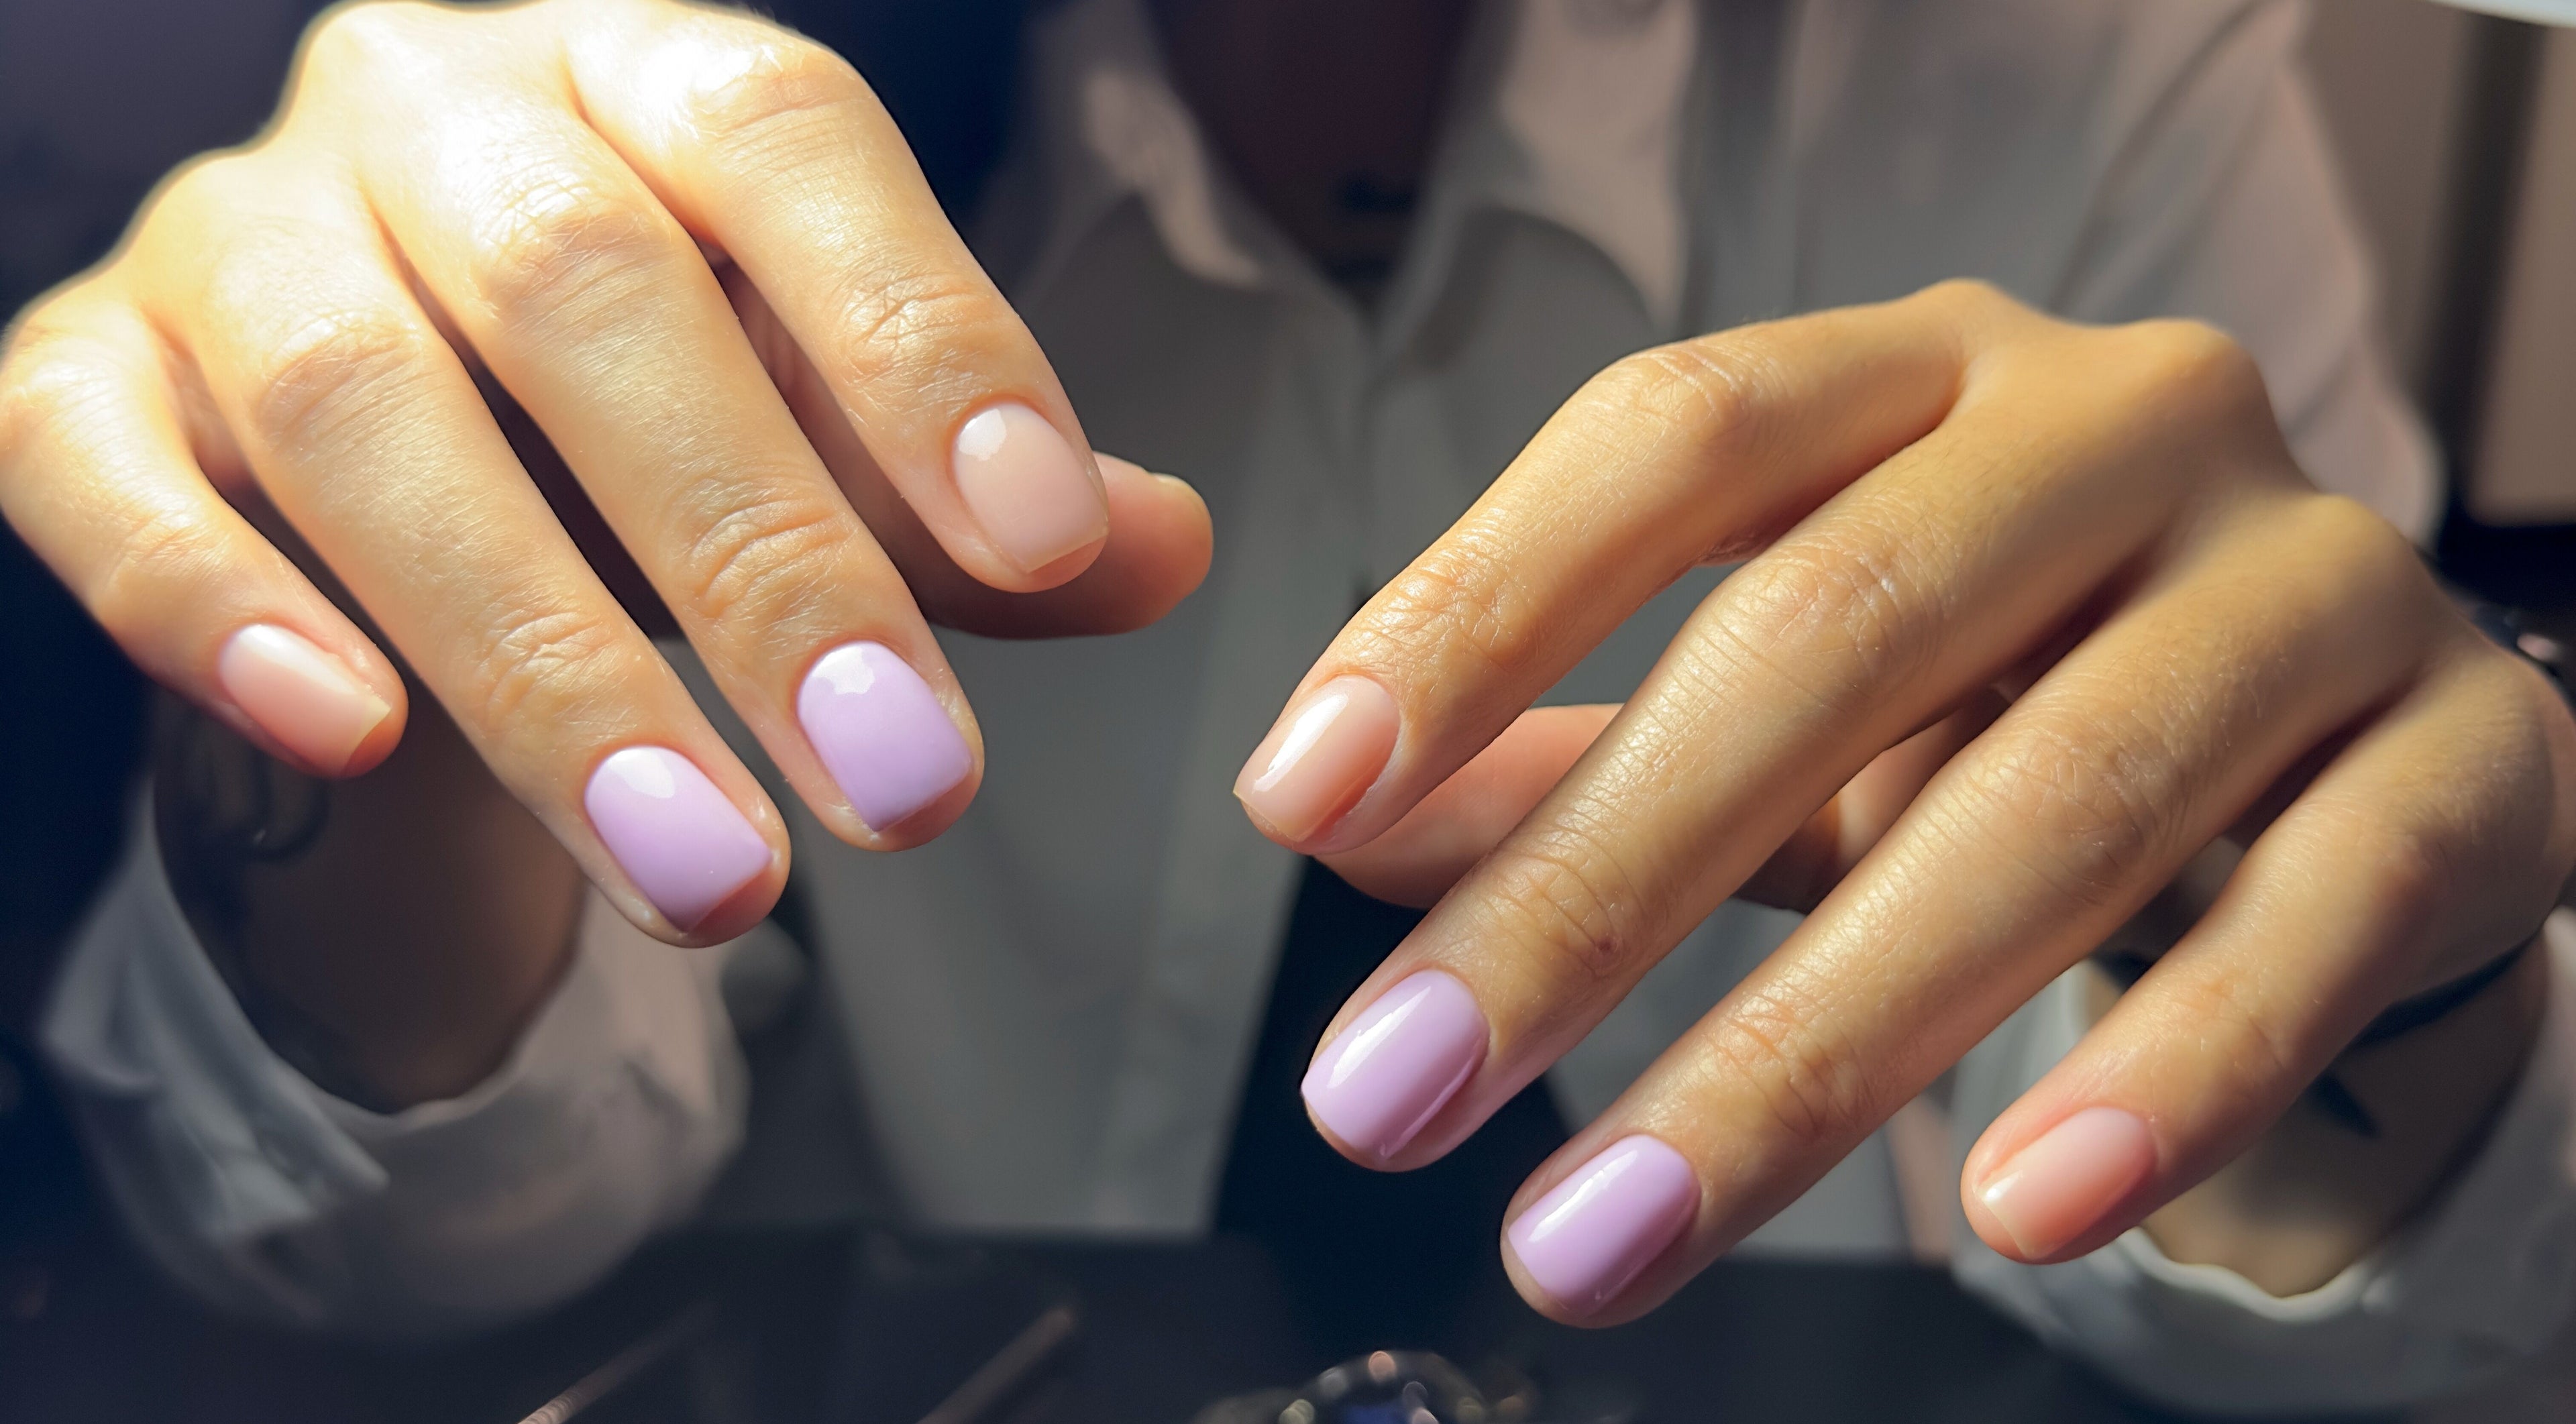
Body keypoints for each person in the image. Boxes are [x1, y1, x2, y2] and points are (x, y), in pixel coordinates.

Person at [4, 0, 2574, 1410]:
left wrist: (2396, 986)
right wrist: (369, 703)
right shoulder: (610, 101)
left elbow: (2197, 1255)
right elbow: (411, 1253)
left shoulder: (2107, 65)